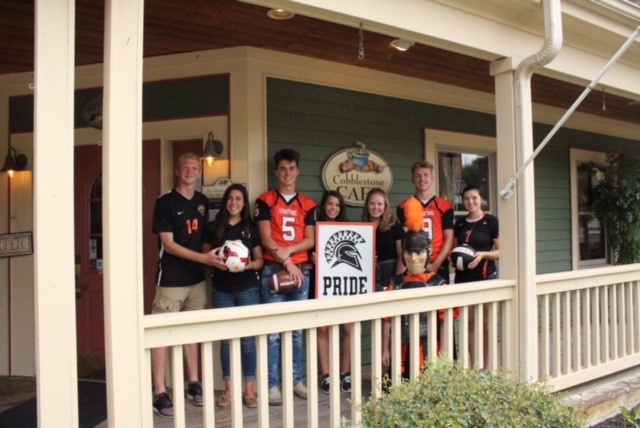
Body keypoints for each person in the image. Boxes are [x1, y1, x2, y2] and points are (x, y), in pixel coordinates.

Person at [150, 152, 219, 418]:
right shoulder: (165, 202)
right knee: (162, 333)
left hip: (197, 279)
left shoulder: (202, 202)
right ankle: (159, 391)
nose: (190, 172)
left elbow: (204, 237)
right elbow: (168, 244)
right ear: (177, 172)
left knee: (192, 331)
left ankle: (193, 383)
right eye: (185, 168)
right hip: (171, 279)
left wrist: (215, 258)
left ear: (200, 172)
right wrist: (204, 258)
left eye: (194, 168)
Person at [254, 148, 317, 406]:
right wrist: (285, 260)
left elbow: (311, 239)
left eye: (291, 168)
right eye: (282, 168)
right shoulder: (265, 200)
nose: (287, 173)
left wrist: (289, 254)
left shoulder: (308, 204)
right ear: (276, 171)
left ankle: (295, 380)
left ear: (298, 171)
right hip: (273, 270)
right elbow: (266, 238)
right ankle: (272, 384)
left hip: (300, 272)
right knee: (273, 332)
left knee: (297, 331)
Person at [203, 184, 264, 409]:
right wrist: (215, 262)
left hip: (247, 288)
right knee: (226, 341)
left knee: (248, 340)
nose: (233, 202)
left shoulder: (251, 228)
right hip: (221, 290)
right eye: (230, 198)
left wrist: (248, 265)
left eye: (238, 199)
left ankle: (249, 390)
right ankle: (228, 391)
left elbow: (259, 261)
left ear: (243, 202)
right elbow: (205, 255)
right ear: (225, 201)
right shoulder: (213, 227)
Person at [382, 197, 447, 380]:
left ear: (428, 253)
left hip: (430, 346)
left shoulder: (438, 283)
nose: (413, 257)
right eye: (408, 252)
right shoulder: (396, 283)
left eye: (418, 252)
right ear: (402, 253)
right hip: (401, 345)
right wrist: (385, 349)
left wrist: (444, 351)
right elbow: (387, 320)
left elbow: (445, 321)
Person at [453, 184, 500, 368]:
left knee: (486, 324)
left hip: (485, 276)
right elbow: (455, 249)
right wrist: (454, 259)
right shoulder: (460, 224)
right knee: (470, 324)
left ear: (481, 199)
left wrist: (483, 255)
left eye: (474, 198)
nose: (470, 202)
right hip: (463, 278)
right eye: (466, 199)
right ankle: (474, 366)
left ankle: (486, 366)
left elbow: (501, 251)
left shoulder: (491, 221)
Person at [361, 188, 404, 377]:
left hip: (390, 276)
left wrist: (396, 283)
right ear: (367, 205)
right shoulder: (361, 226)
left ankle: (391, 374)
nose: (375, 207)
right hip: (369, 279)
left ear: (385, 206)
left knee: (389, 326)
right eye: (372, 203)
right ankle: (380, 374)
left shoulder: (394, 226)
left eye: (379, 203)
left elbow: (402, 256)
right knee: (376, 326)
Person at [314, 190, 352, 394]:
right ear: (324, 206)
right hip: (324, 285)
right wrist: (313, 261)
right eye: (330, 204)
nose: (333, 208)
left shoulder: (349, 228)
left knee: (349, 328)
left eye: (337, 205)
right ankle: (327, 375)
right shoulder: (315, 228)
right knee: (323, 329)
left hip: (345, 285)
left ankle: (346, 373)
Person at [397, 160, 454, 282]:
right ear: (412, 179)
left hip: (438, 263)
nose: (422, 179)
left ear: (432, 178)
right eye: (418, 175)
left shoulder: (444, 206)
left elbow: (449, 238)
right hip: (414, 262)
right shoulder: (404, 206)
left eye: (425, 175)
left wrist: (436, 265)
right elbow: (406, 238)